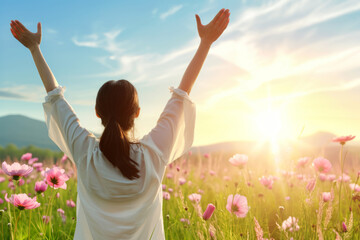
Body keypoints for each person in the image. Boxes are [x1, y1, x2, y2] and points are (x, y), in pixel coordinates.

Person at [10, 8, 230, 240]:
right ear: (137, 113)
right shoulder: (154, 154)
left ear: (97, 112)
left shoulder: (85, 154)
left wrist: (34, 49)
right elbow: (182, 94)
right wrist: (205, 42)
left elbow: (55, 96)